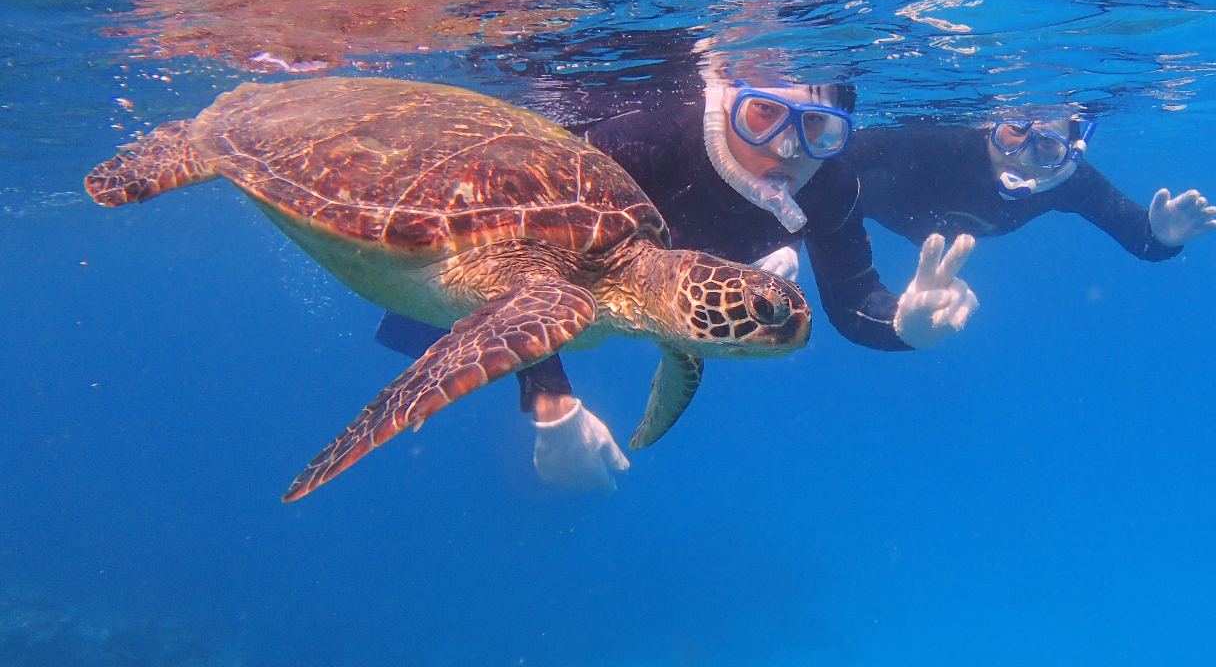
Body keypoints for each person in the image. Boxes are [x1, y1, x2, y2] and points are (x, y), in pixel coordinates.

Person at [376, 56, 980, 492]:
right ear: (726, 97)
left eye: (818, 129)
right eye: (764, 114)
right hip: (492, 259)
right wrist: (551, 401)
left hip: (655, 292)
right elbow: (526, 256)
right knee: (424, 313)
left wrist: (906, 322)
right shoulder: (647, 141)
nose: (788, 148)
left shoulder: (830, 184)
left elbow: (853, 302)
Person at [847, 113, 1216, 259]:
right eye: (1015, 134)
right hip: (877, 202)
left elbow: (1139, 236)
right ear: (988, 127)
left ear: (1069, 152)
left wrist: (1162, 238)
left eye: (1047, 145)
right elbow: (835, 154)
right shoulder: (941, 142)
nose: (1023, 158)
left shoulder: (1066, 181)